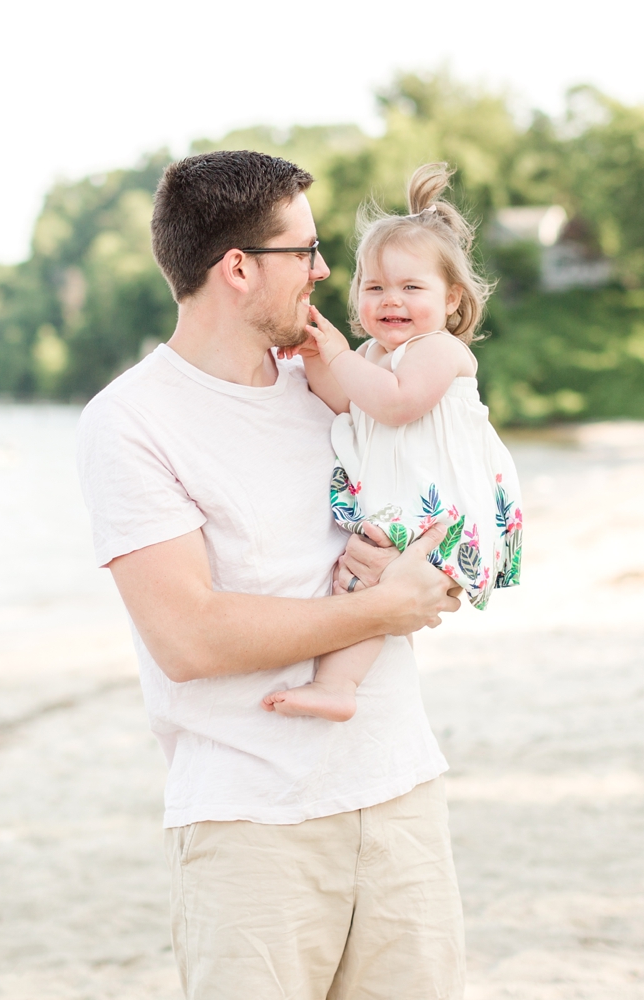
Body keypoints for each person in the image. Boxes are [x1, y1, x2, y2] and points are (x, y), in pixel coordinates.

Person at [76, 150, 466, 998]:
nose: (329, 272)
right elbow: (188, 636)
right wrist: (384, 609)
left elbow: (446, 491)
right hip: (253, 828)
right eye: (308, 251)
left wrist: (435, 574)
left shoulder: (333, 383)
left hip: (400, 796)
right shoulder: (131, 422)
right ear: (239, 268)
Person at [262, 162, 523, 723]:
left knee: (371, 581)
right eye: (374, 287)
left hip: (443, 512)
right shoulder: (371, 357)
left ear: (452, 299)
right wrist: (316, 359)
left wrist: (333, 355)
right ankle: (339, 683)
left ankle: (339, 684)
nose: (390, 300)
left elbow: (397, 402)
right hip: (409, 501)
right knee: (364, 585)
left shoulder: (439, 350)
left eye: (411, 287)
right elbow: (346, 402)